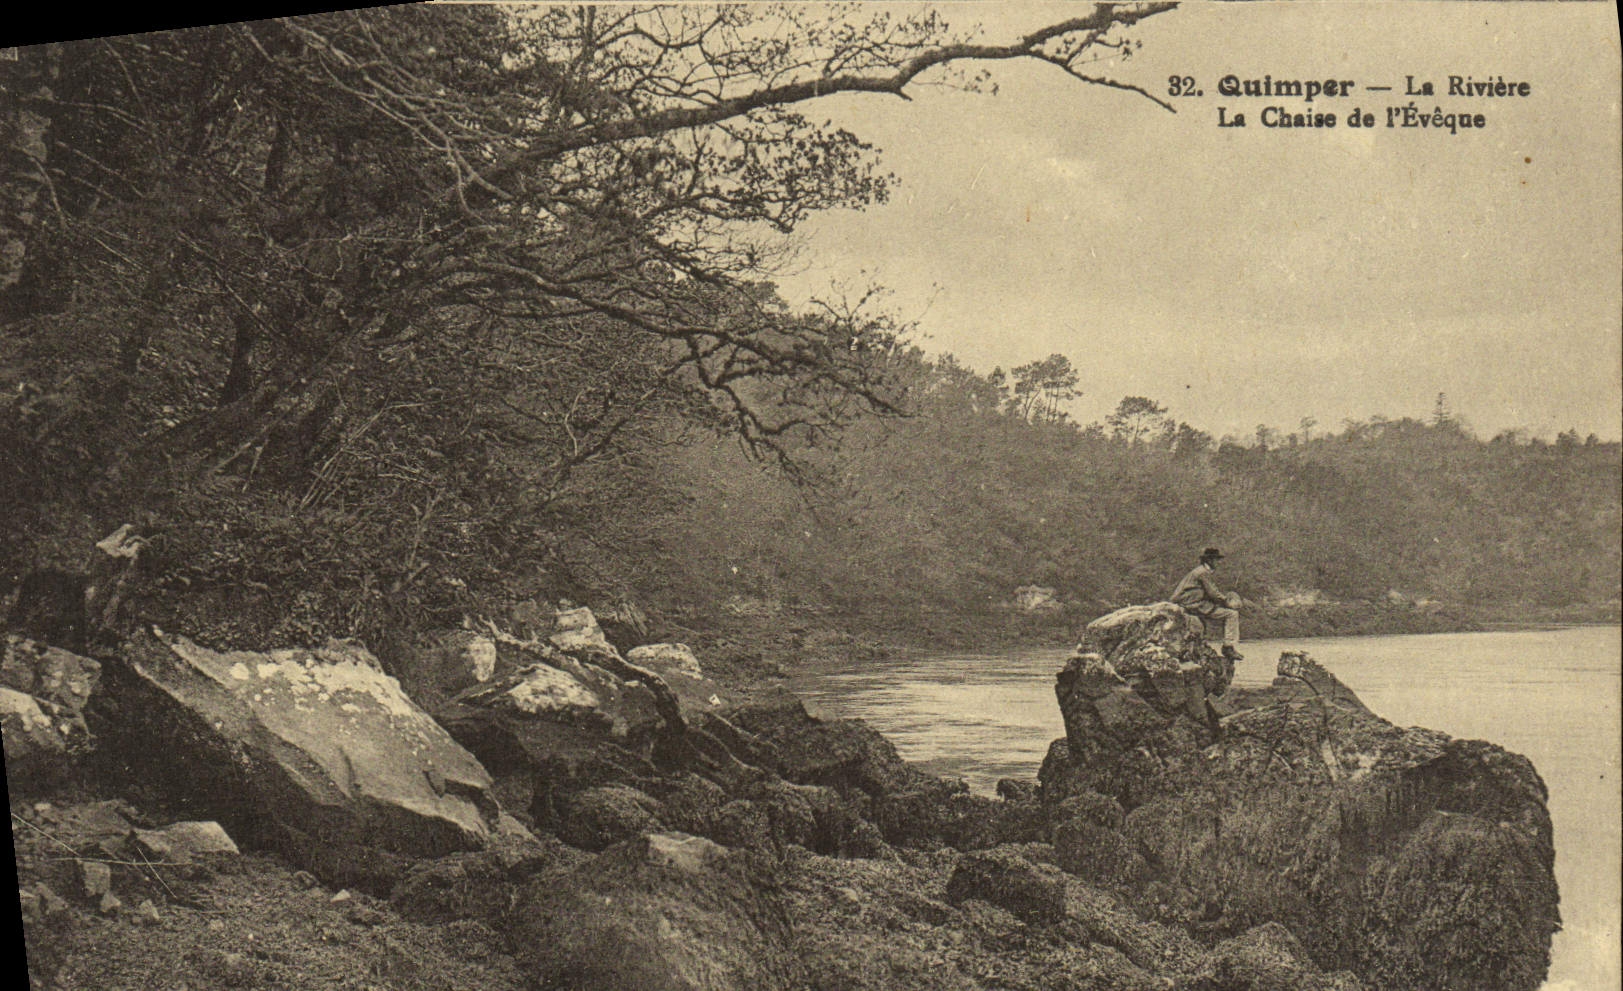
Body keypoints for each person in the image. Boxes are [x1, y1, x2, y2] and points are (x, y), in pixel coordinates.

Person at [1171, 547, 1242, 660]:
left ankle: (1201, 645)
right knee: (1232, 614)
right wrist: (1228, 603)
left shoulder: (1199, 571)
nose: (1218, 563)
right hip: (1193, 604)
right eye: (1216, 560)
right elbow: (1213, 593)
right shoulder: (1202, 573)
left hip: (1190, 602)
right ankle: (1228, 647)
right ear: (1209, 560)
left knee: (1211, 617)